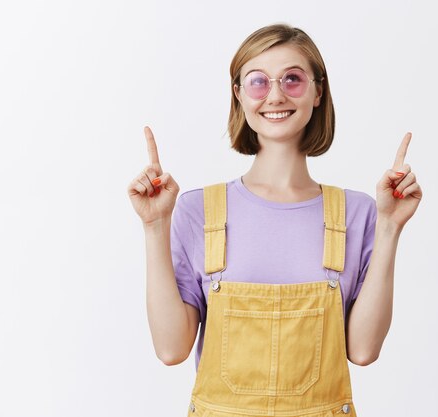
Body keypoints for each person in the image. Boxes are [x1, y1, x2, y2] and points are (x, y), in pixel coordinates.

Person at [127, 23, 422, 417]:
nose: (276, 95)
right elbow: (170, 349)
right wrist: (154, 226)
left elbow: (364, 351)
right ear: (239, 95)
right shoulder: (199, 210)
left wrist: (390, 226)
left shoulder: (358, 213)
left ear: (319, 91)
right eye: (258, 82)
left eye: (293, 79)